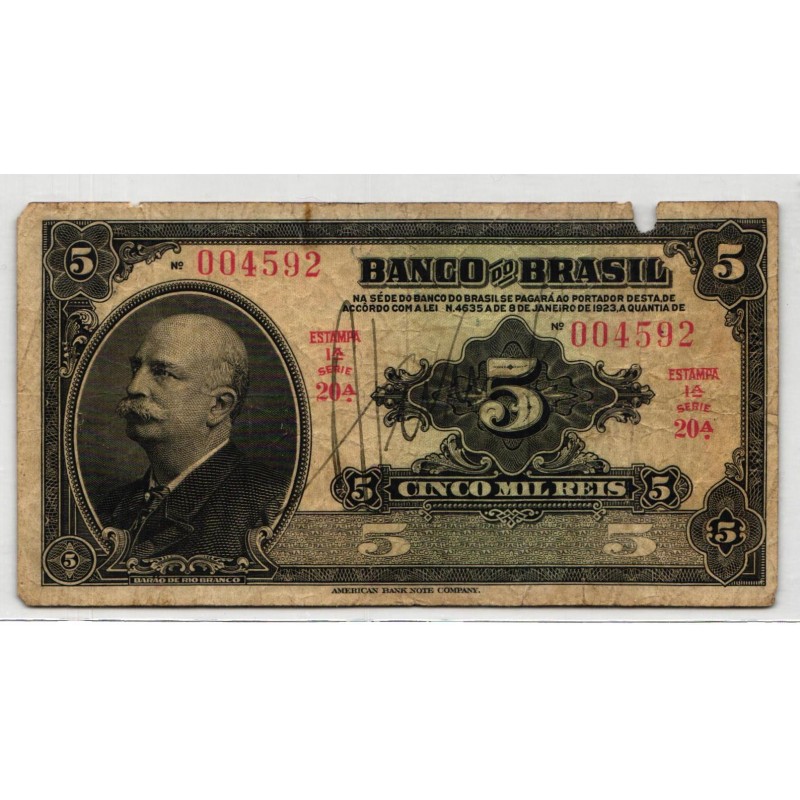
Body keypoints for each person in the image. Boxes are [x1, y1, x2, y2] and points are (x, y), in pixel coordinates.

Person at [97, 313, 290, 561]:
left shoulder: (272, 508)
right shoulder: (111, 505)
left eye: (162, 372)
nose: (133, 387)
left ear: (218, 406)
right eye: (136, 367)